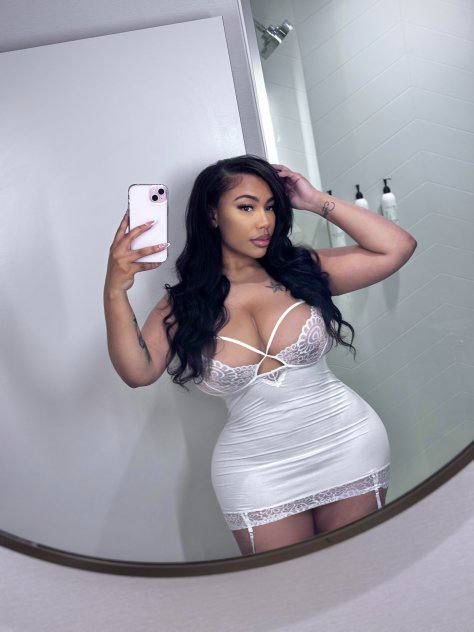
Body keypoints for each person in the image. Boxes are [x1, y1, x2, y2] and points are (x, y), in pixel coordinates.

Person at [103, 154, 417, 556]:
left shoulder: (302, 271)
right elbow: (137, 371)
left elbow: (397, 248)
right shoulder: (184, 307)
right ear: (212, 215)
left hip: (347, 444)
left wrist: (314, 200)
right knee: (286, 588)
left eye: (270, 207)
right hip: (257, 473)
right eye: (246, 207)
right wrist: (115, 289)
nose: (264, 221)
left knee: (358, 571)